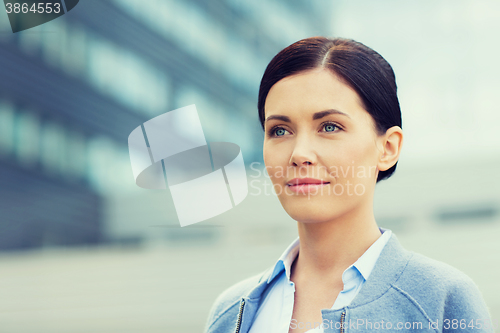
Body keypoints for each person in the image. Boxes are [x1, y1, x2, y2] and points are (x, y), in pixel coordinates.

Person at [203, 37, 494, 333]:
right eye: (279, 130)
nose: (299, 153)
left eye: (330, 126)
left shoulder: (440, 300)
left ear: (388, 148)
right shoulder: (231, 311)